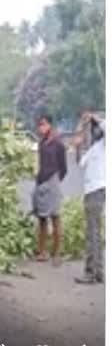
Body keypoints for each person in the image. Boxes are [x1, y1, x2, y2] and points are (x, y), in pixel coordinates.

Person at [32, 114, 67, 266]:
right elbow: (40, 163)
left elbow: (64, 168)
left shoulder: (58, 143)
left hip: (52, 181)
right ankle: (42, 251)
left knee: (55, 216)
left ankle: (57, 253)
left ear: (50, 125)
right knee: (41, 217)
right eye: (40, 124)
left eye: (44, 124)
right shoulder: (41, 143)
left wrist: (55, 181)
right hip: (41, 181)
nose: (41, 127)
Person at [75, 111, 105, 284]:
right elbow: (80, 163)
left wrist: (93, 117)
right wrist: (78, 145)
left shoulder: (105, 145)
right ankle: (98, 272)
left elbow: (106, 127)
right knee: (94, 232)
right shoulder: (95, 147)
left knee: (92, 233)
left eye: (94, 128)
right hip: (91, 191)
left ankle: (91, 273)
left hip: (97, 190)